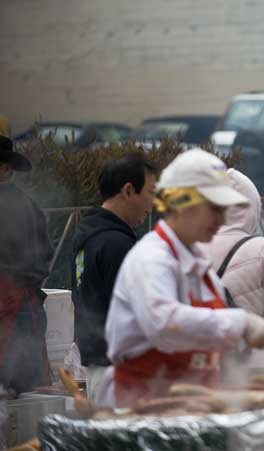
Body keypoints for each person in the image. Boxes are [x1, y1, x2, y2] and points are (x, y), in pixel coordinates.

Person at [103, 149, 264, 407]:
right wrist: (240, 323)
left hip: (195, 408)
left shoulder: (198, 264)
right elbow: (164, 324)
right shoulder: (151, 258)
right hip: (144, 410)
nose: (221, 219)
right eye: (213, 208)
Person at [71, 153, 157, 404]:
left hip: (98, 366)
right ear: (128, 190)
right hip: (121, 374)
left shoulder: (88, 235)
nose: (152, 205)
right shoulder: (116, 244)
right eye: (150, 193)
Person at [199, 169, 264, 371]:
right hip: (252, 366)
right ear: (252, 207)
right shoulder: (261, 248)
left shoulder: (193, 248)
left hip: (205, 366)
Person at [0, 135, 53, 394]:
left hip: (14, 309)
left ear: (6, 168)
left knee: (15, 393)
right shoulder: (28, 204)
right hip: (23, 304)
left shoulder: (18, 205)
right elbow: (46, 256)